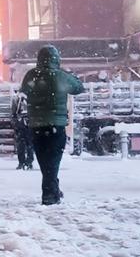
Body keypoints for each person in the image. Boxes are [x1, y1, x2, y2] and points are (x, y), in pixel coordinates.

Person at [20, 45, 83, 205]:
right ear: (57, 59)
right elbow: (78, 88)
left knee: (44, 161)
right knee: (53, 161)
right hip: (57, 125)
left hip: (36, 125)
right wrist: (68, 75)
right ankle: (49, 194)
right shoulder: (61, 76)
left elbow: (25, 90)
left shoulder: (31, 75)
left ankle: (53, 190)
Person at [11, 92, 34, 170]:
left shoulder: (18, 98)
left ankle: (26, 162)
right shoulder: (18, 99)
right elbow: (13, 113)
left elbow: (13, 113)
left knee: (26, 144)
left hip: (25, 124)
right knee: (26, 144)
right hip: (24, 124)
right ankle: (26, 162)